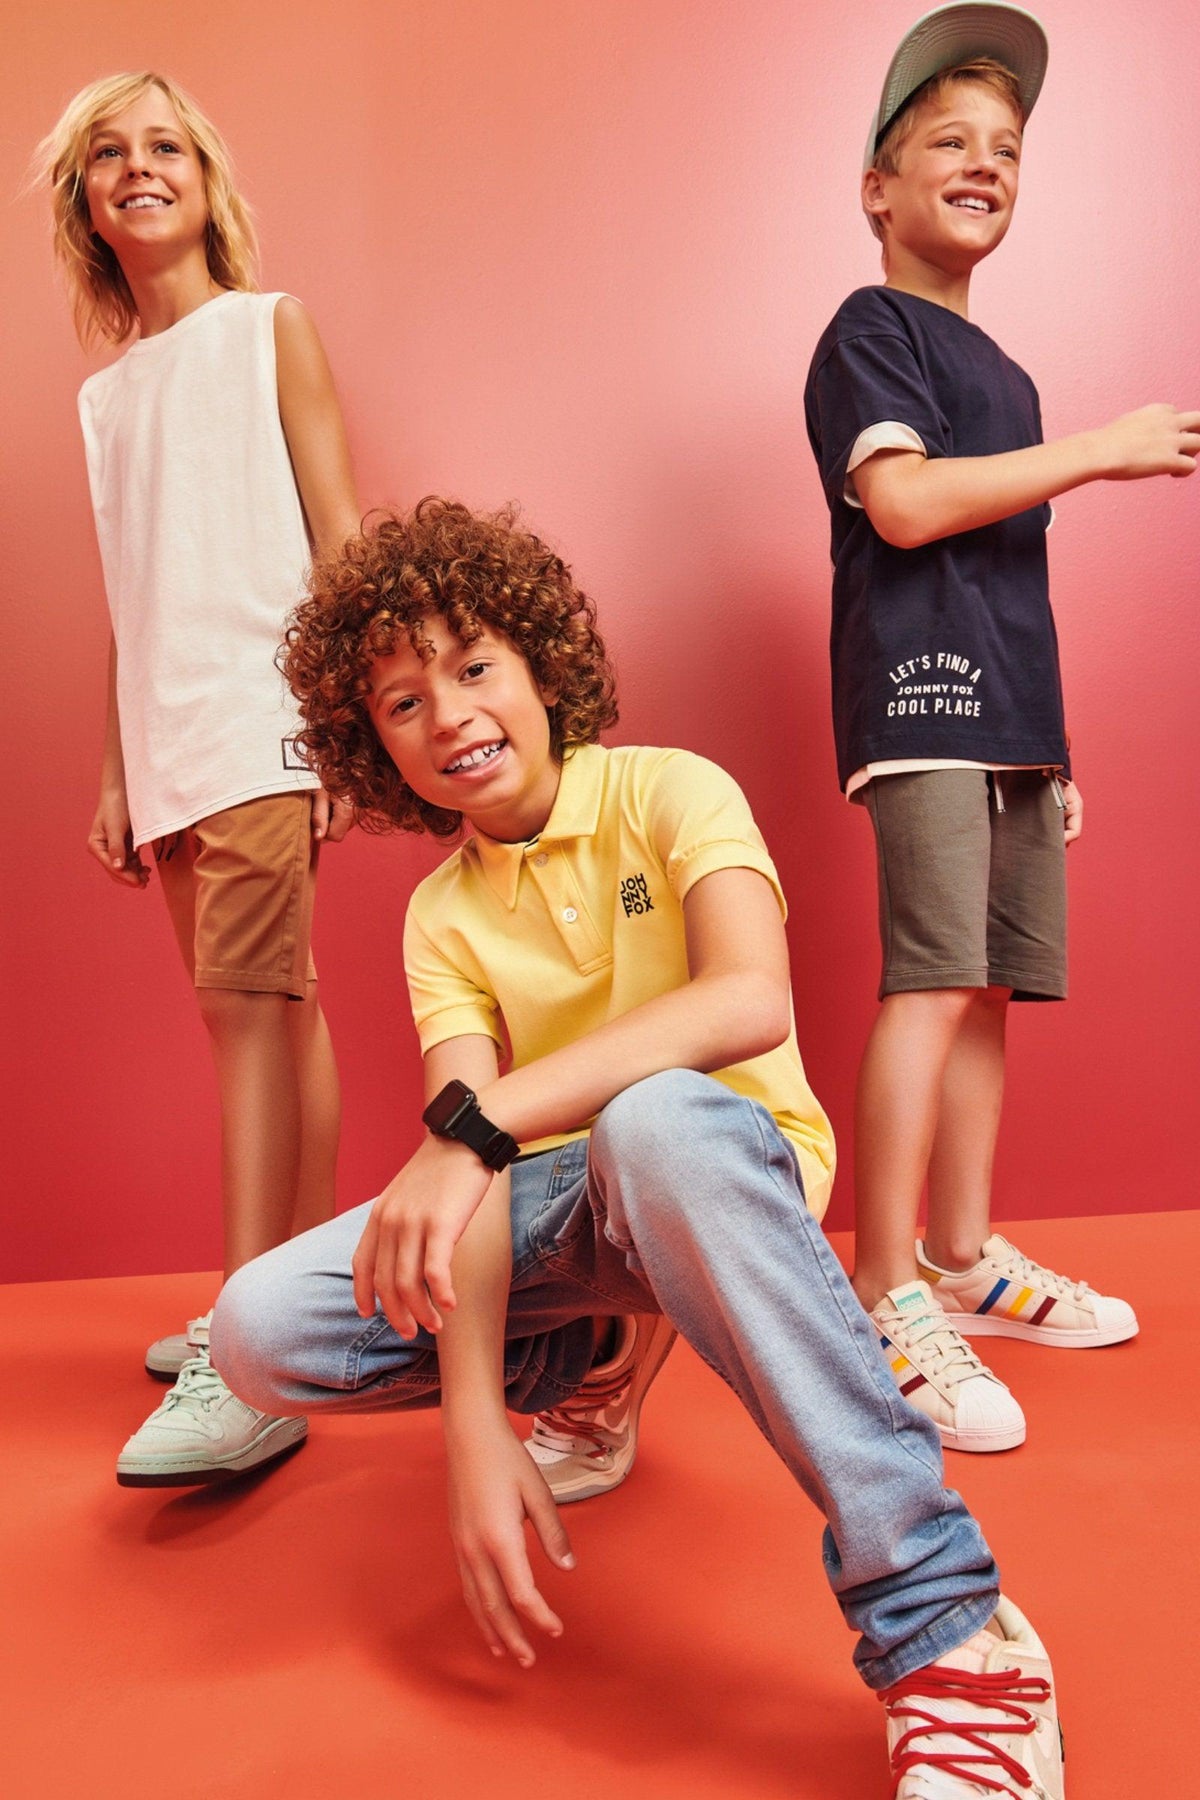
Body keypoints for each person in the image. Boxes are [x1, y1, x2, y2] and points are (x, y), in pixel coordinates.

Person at [211, 497, 1064, 1796]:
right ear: (374, 747)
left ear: (542, 666)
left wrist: (481, 1124)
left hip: (722, 1161)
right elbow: (470, 1171)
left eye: (473, 666)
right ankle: (593, 1356)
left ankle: (955, 1630)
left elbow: (746, 1001)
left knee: (651, 1120)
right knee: (256, 1327)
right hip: (565, 1199)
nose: (448, 715)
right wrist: (474, 1425)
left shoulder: (670, 788)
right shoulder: (440, 915)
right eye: (401, 703)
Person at [804, 3, 1198, 1452]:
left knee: (986, 990)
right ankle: (883, 1285)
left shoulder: (1009, 377)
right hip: (921, 705)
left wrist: (1055, 747)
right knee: (930, 979)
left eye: (1007, 150)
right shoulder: (870, 333)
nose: (984, 164)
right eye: (948, 143)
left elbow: (1011, 584)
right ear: (878, 188)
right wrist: (1098, 452)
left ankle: (963, 1260)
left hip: (1011, 721)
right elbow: (905, 507)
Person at [37, 71, 361, 1485]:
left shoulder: (266, 329)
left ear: (205, 181)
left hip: (259, 722)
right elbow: (135, 591)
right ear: (85, 205)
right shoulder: (106, 399)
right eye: (109, 154)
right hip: (170, 743)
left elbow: (342, 538)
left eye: (164, 145)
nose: (139, 166)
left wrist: (343, 726)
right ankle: (298, 1310)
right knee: (277, 1013)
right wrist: (118, 768)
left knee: (251, 1019)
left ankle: (250, 1360)